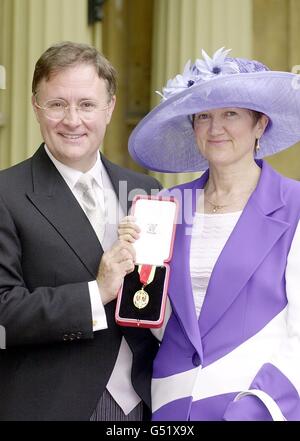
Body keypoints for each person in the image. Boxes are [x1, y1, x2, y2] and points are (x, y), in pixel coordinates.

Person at [119, 47, 300, 420]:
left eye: (231, 114)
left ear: (260, 124)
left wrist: (258, 408)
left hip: (255, 404)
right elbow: (155, 318)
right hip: (172, 403)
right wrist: (131, 267)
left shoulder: (294, 204)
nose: (216, 129)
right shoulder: (164, 205)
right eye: (204, 116)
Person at [0, 41, 161, 421]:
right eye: (57, 104)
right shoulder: (6, 194)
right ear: (36, 108)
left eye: (87, 104)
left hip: (145, 402)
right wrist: (97, 292)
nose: (73, 120)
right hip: (51, 405)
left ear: (110, 108)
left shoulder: (147, 190)